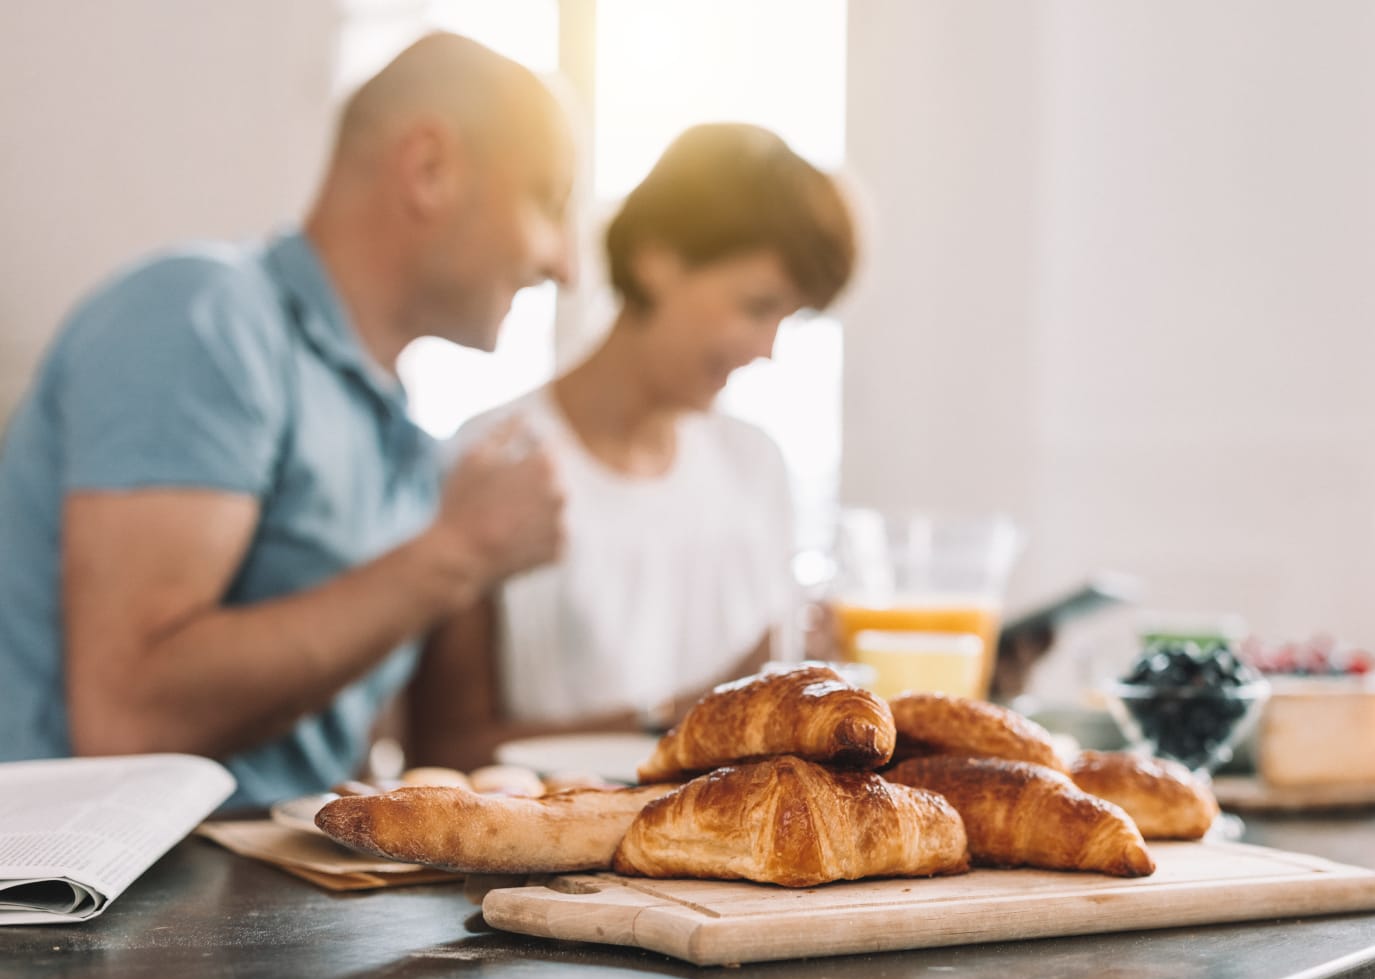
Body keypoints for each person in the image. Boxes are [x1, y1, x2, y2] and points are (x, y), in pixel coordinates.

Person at [0, 33, 574, 807]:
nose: (564, 262)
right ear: (429, 169)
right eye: (547, 201)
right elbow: (129, 718)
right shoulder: (202, 315)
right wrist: (458, 553)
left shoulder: (403, 437)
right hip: (72, 907)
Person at [403, 123, 858, 768]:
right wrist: (698, 715)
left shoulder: (755, 464)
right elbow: (446, 751)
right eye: (758, 306)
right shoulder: (493, 459)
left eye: (790, 318)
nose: (768, 348)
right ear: (658, 258)